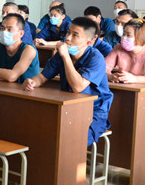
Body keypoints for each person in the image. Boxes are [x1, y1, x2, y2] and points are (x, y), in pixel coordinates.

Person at [22, 17, 114, 146]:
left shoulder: (95, 58)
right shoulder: (61, 55)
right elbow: (42, 77)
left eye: (75, 35)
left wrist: (66, 56)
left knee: (73, 140)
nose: (68, 38)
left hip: (94, 111)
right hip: (68, 106)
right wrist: (32, 82)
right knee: (41, 128)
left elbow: (78, 87)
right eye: (68, 32)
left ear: (88, 42)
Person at [105, 19, 145, 127]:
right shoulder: (119, 48)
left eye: (128, 35)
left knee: (143, 131)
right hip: (124, 96)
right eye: (124, 34)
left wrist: (135, 79)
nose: (124, 37)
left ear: (141, 36)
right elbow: (103, 67)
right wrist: (110, 76)